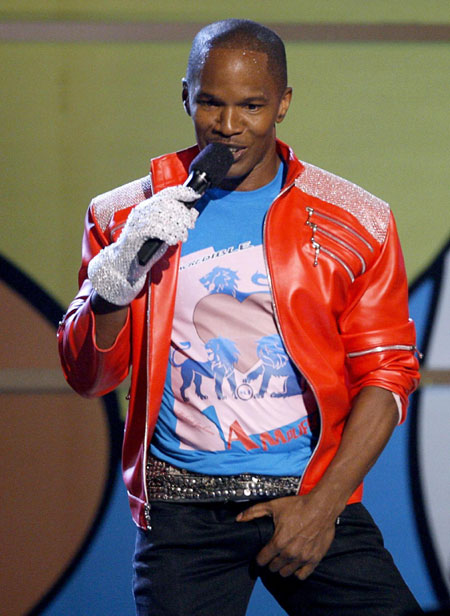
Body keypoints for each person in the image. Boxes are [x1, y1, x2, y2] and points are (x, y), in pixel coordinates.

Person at [58, 18, 422, 616]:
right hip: (182, 514)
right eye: (211, 103)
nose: (229, 127)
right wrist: (114, 285)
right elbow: (87, 377)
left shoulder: (357, 218)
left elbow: (386, 378)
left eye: (251, 105)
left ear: (283, 104)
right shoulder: (123, 215)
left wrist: (322, 508)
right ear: (185, 96)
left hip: (310, 498)